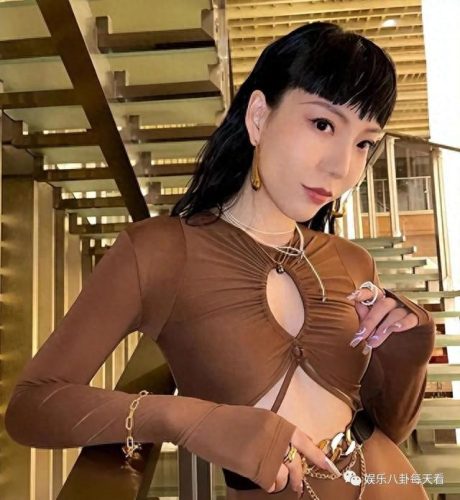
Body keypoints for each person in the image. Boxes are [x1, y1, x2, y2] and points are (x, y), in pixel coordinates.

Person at [5, 21, 435, 499]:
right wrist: (186, 418)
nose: (342, 166)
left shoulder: (352, 262)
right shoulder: (160, 252)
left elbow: (391, 426)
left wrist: (411, 348)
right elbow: (31, 406)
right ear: (259, 117)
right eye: (322, 124)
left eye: (363, 143)